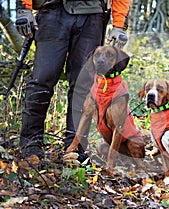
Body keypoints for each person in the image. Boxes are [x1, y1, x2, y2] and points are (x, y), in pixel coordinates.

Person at [15, 0, 130, 162]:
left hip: (92, 14)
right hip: (51, 10)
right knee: (42, 79)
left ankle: (75, 147)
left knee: (84, 83)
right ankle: (30, 144)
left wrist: (119, 25)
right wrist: (23, 8)